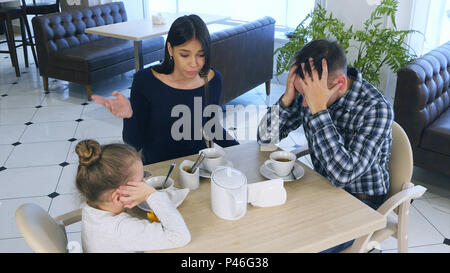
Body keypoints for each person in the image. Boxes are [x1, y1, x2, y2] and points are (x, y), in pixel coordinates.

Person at [257, 39, 394, 252]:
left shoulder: (376, 109)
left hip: (360, 202)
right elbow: (264, 138)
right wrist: (286, 100)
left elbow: (342, 175)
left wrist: (318, 109)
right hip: (320, 189)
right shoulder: (310, 90)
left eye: (307, 97)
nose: (303, 103)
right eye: (301, 94)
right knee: (265, 231)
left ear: (339, 83)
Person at [92, 14, 238, 165]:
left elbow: (211, 126)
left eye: (201, 55)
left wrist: (243, 150)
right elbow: (134, 143)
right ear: (170, 49)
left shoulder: (212, 80)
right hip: (158, 168)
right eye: (184, 55)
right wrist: (129, 116)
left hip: (196, 165)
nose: (194, 63)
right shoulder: (145, 81)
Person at [75, 139, 190, 252]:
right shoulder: (121, 231)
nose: (144, 182)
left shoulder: (91, 205)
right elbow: (180, 236)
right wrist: (151, 194)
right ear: (118, 197)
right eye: (140, 181)